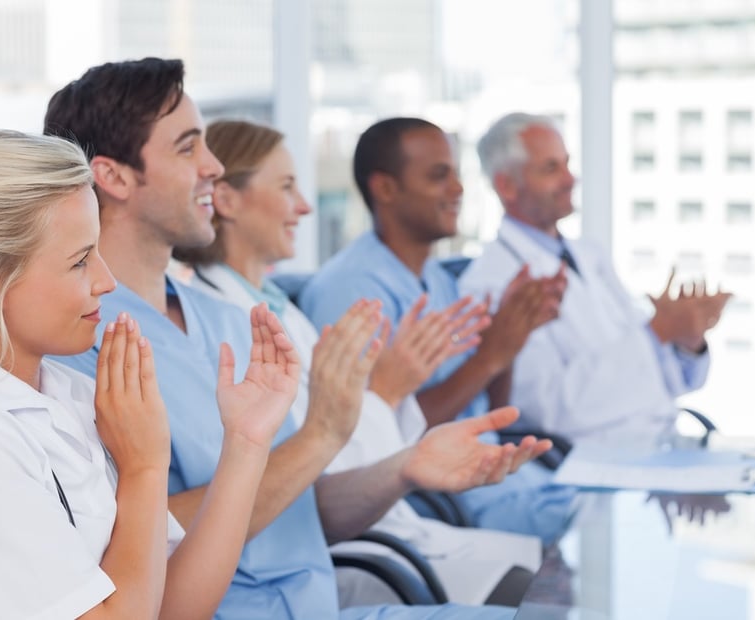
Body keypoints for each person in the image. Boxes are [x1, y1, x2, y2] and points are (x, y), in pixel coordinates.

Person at [45, 57, 544, 619]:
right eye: (187, 149)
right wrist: (319, 434)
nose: (213, 167)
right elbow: (134, 540)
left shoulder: (233, 321)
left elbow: (300, 513)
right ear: (113, 177)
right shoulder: (81, 346)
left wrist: (402, 469)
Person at [0, 131, 300, 619]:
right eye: (79, 261)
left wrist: (245, 442)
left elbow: (174, 608)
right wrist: (143, 469)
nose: (106, 281)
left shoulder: (73, 396)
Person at [175, 118, 545, 606]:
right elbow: (321, 463)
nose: (306, 207)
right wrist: (387, 390)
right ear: (225, 199)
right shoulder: (226, 327)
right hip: (348, 553)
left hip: (388, 531)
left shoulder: (278, 311)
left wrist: (392, 392)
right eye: (287, 187)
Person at [298, 117, 576, 544]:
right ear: (386, 189)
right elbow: (371, 438)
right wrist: (489, 357)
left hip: (501, 477)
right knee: (603, 527)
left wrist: (509, 338)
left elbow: (486, 413)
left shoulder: (439, 277)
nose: (458, 190)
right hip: (444, 502)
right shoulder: (353, 291)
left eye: (457, 174)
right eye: (438, 176)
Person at [460, 112, 730, 443]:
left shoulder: (589, 255)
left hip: (658, 442)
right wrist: (657, 331)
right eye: (550, 168)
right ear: (506, 185)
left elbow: (662, 378)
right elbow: (544, 410)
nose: (569, 179)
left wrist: (686, 342)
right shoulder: (490, 281)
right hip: (591, 462)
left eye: (566, 164)